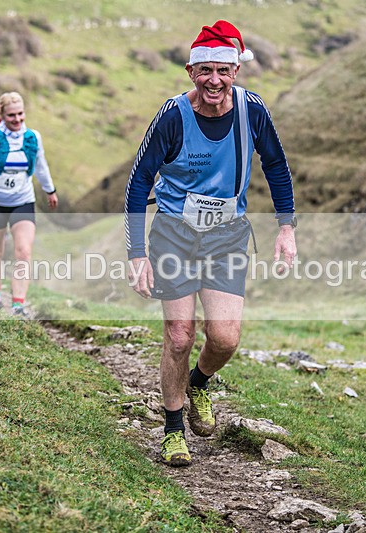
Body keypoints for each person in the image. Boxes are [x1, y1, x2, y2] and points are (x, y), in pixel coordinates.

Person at [124, 20, 297, 467]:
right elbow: (139, 180)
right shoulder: (172, 115)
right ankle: (172, 428)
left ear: (236, 71)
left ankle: (199, 383)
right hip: (174, 235)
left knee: (223, 338)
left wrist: (286, 228)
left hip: (226, 237)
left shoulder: (251, 110)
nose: (215, 81)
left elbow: (276, 166)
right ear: (190, 72)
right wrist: (136, 254)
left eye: (224, 70)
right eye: (206, 72)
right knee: (179, 335)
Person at [0, 91, 58, 315]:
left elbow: (41, 166)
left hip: (23, 200)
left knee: (23, 252)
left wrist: (50, 190)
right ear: (1, 114)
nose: (17, 119)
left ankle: (18, 305)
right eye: (11, 115)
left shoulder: (33, 137)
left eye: (20, 114)